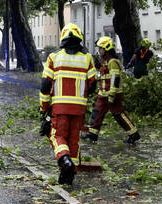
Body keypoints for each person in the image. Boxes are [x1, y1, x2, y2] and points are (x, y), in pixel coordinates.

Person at [40, 23, 97, 185]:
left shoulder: (54, 57)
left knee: (56, 136)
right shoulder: (87, 58)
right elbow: (93, 84)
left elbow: (45, 86)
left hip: (59, 107)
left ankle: (64, 161)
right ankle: (70, 175)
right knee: (73, 140)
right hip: (79, 109)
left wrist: (44, 109)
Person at [83, 36, 139, 144]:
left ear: (106, 48)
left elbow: (115, 78)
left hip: (112, 94)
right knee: (97, 113)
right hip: (103, 94)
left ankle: (134, 134)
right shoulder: (105, 61)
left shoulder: (112, 61)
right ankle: (93, 133)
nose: (99, 50)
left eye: (101, 48)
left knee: (119, 115)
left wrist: (112, 94)